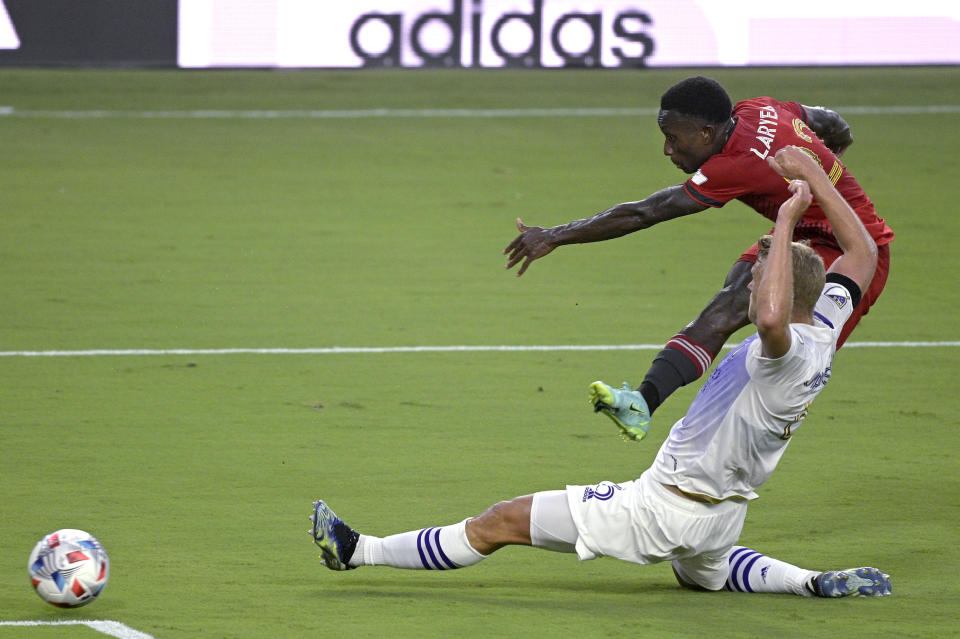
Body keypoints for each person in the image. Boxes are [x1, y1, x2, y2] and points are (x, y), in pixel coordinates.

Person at [309, 147, 890, 598]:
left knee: (497, 523)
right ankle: (808, 581)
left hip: (662, 508)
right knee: (701, 577)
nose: (749, 278)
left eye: (760, 272)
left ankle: (359, 551)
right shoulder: (822, 330)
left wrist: (788, 217)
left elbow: (766, 315)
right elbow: (862, 252)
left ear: (782, 291)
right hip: (722, 518)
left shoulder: (780, 349)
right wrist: (813, 172)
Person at [503, 76, 894, 439]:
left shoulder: (736, 164)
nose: (667, 149)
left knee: (791, 366)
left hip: (853, 251)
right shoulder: (756, 108)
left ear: (707, 132)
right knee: (726, 306)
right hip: (797, 230)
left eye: (674, 138)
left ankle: (750, 442)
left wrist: (555, 235)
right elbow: (831, 122)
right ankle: (642, 402)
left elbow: (647, 211)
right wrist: (830, 160)